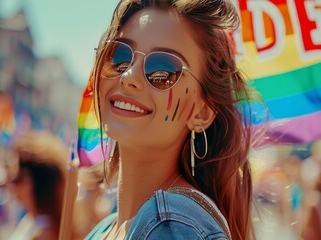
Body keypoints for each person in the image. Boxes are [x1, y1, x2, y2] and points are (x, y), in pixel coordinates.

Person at [85, 0, 255, 239]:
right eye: (120, 56)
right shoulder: (103, 230)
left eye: (162, 70)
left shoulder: (173, 226)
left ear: (202, 112)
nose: (129, 76)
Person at [7, 130, 68, 240]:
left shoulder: (42, 234)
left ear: (28, 182)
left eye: (15, 179)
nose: (11, 186)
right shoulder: (31, 220)